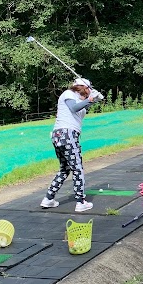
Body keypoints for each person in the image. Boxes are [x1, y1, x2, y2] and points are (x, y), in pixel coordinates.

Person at [40, 78, 99, 212]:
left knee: (64, 169)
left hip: (61, 136)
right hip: (67, 135)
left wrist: (93, 99)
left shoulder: (78, 99)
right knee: (77, 168)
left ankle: (48, 198)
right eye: (89, 89)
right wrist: (90, 99)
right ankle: (80, 201)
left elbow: (81, 107)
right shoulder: (68, 94)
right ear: (84, 87)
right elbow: (73, 108)